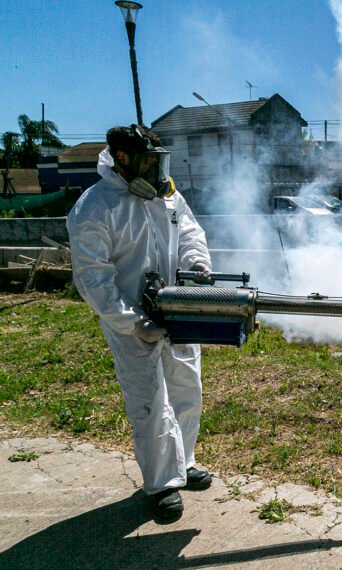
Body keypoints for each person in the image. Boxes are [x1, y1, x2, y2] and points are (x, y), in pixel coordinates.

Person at [67, 125, 214, 521]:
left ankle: (184, 463)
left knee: (187, 388)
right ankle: (162, 483)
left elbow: (189, 231)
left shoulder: (166, 195)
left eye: (158, 160)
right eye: (150, 160)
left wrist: (197, 262)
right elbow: (93, 278)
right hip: (130, 319)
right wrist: (133, 322)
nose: (157, 169)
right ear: (124, 159)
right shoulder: (95, 207)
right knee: (150, 400)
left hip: (176, 309)